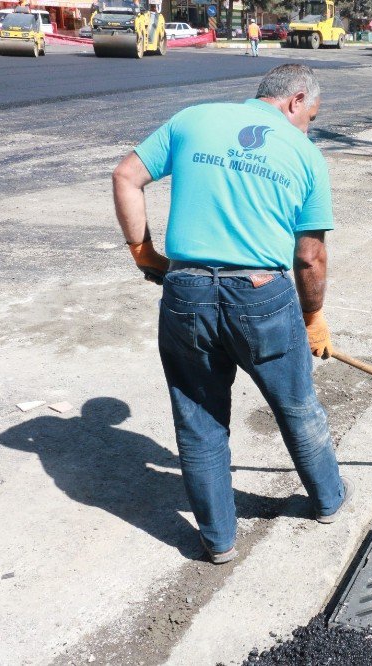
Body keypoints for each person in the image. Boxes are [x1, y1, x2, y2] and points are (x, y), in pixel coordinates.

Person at [111, 64, 352, 565]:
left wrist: (143, 251)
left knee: (200, 422)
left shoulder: (192, 119)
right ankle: (328, 499)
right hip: (261, 295)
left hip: (186, 290)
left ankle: (219, 540)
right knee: (296, 405)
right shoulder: (305, 154)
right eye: (310, 115)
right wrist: (313, 317)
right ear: (295, 99)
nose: (308, 126)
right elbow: (309, 256)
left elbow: (126, 176)